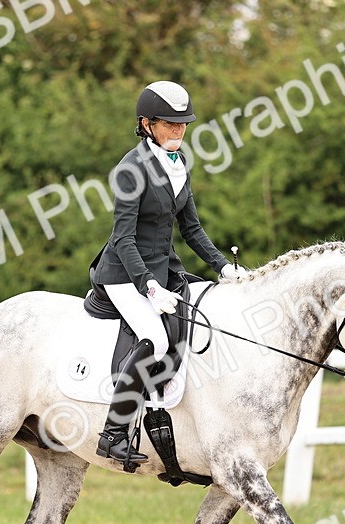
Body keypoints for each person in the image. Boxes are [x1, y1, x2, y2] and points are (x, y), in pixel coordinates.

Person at [90, 80, 245, 464]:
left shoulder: (179, 165)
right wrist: (150, 287)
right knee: (155, 339)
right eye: (169, 124)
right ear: (147, 125)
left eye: (183, 124)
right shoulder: (131, 170)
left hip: (163, 269)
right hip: (124, 274)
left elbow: (191, 229)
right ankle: (113, 433)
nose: (178, 131)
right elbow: (123, 239)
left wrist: (222, 266)